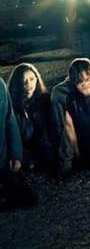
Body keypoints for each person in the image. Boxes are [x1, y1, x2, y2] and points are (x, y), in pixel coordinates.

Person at [7, 63, 54, 172]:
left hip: (43, 147)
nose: (28, 84)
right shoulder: (12, 104)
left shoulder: (45, 100)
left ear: (37, 79)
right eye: (24, 81)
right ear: (17, 84)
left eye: (32, 79)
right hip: (22, 150)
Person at [0, 76, 35, 211]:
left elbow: (10, 118)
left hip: (3, 161)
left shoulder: (0, 84)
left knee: (27, 199)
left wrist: (15, 154)